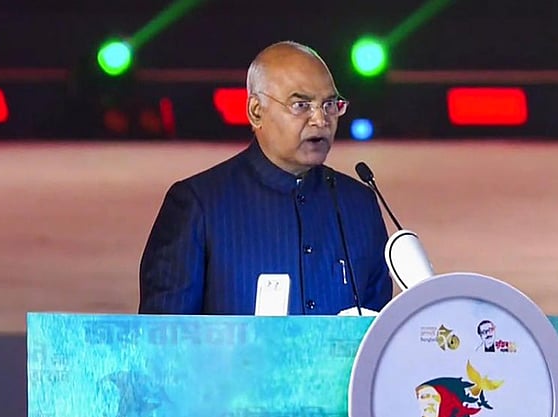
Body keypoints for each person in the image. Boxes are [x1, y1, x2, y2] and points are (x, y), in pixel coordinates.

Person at [138, 41, 393, 315]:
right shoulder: (199, 204)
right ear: (256, 111)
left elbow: (378, 335)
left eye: (330, 104)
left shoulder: (359, 203)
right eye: (301, 105)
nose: (321, 119)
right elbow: (162, 340)